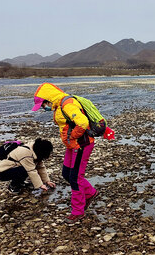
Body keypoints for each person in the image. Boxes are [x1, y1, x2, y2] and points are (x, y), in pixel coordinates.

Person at [31, 82, 113, 224]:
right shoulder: (59, 106)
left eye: (43, 105)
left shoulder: (67, 104)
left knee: (75, 177)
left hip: (81, 144)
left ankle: (78, 212)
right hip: (72, 145)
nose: (44, 108)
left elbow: (82, 122)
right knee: (66, 174)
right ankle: (90, 193)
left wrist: (72, 137)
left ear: (48, 99)